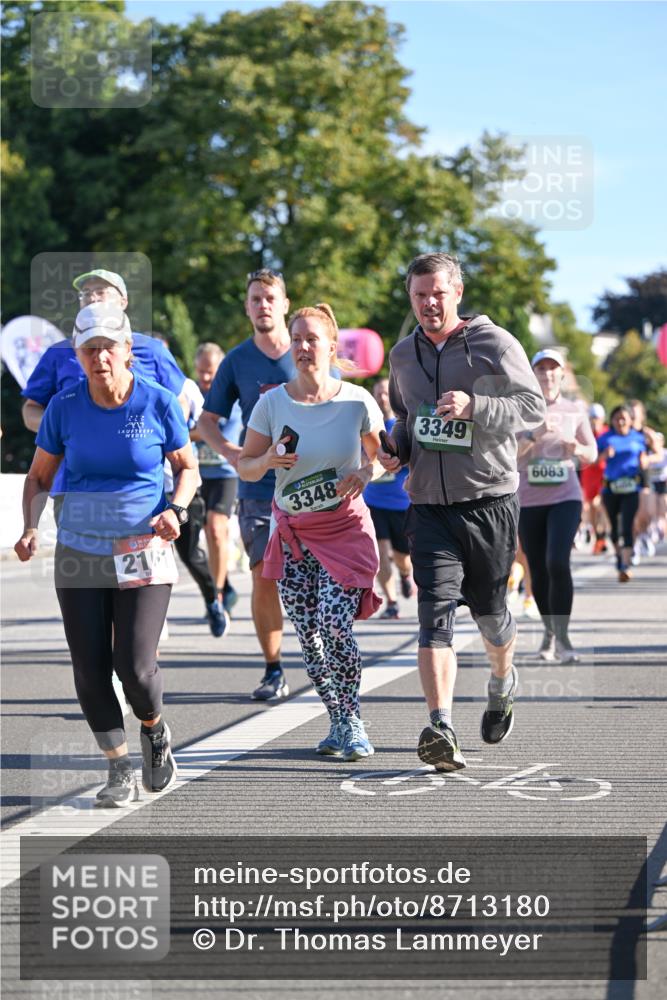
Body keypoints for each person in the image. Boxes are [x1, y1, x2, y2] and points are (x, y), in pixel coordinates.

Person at [14, 304, 198, 806]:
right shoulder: (65, 407)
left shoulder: (158, 402)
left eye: (107, 349)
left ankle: (154, 730)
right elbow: (38, 477)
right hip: (80, 548)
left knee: (135, 668)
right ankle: (118, 767)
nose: (99, 358)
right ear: (78, 355)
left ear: (127, 353)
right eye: (89, 349)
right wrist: (30, 526)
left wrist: (176, 510)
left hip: (144, 545)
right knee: (89, 668)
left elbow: (188, 468)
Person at [378, 252, 546, 772]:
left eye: (437, 293)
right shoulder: (403, 355)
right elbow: (407, 419)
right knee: (435, 614)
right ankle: (440, 725)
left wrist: (477, 407)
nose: (429, 303)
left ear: (457, 292)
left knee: (493, 615)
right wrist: (397, 448)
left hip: (489, 502)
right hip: (428, 504)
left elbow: (533, 407)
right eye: (419, 295)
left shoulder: (494, 344)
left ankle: (501, 681)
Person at [238, 303, 383, 760]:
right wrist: (267, 463)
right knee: (309, 636)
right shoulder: (272, 402)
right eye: (296, 339)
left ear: (331, 346)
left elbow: (380, 458)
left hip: (344, 530)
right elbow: (245, 467)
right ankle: (337, 720)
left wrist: (365, 473)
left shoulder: (357, 401)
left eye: (311, 339)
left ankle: (354, 719)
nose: (302, 347)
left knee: (335, 626)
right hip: (295, 536)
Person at [197, 270, 296, 701]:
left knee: (318, 581)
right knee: (262, 577)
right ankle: (274, 669)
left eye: (270, 297)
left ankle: (328, 659)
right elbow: (206, 421)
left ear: (285, 303)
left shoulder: (308, 350)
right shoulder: (236, 361)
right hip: (258, 489)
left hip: (312, 487)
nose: (263, 305)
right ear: (247, 307)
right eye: (255, 298)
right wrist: (232, 453)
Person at [516, 349, 597, 663]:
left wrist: (577, 447)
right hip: (529, 500)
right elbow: (510, 457)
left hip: (566, 496)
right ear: (533, 374)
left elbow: (591, 453)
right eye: (542, 369)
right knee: (536, 569)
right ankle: (549, 635)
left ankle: (563, 637)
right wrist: (532, 436)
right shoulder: (521, 409)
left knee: (557, 562)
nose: (547, 374)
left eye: (553, 369)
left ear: (562, 375)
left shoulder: (575, 409)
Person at [192, 342, 242, 614]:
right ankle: (222, 584)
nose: (205, 378)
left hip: (225, 473)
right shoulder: (190, 394)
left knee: (216, 528)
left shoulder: (229, 395)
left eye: (210, 372)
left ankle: (218, 596)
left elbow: (225, 436)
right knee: (203, 539)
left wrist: (195, 430)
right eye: (201, 372)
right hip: (197, 474)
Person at [362, 377, 414, 620]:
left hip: (401, 503)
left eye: (386, 393)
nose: (382, 398)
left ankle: (405, 574)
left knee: (403, 557)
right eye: (378, 394)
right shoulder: (367, 427)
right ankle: (391, 602)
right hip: (374, 501)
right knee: (380, 552)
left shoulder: (402, 426)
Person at [597, 405, 649, 582]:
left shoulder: (639, 437)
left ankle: (624, 565)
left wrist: (645, 462)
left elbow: (650, 456)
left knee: (627, 525)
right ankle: (619, 556)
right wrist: (604, 455)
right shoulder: (605, 438)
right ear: (611, 421)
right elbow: (594, 459)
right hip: (610, 488)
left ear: (630, 420)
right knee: (613, 527)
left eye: (624, 418)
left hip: (631, 488)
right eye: (617, 418)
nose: (620, 421)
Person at [579, 403, 610, 554]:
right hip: (588, 475)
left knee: (600, 505)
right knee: (591, 507)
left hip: (604, 475)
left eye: (597, 418)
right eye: (592, 418)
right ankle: (597, 536)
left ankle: (602, 535)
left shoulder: (607, 433)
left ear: (603, 419)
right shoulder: (585, 433)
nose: (594, 421)